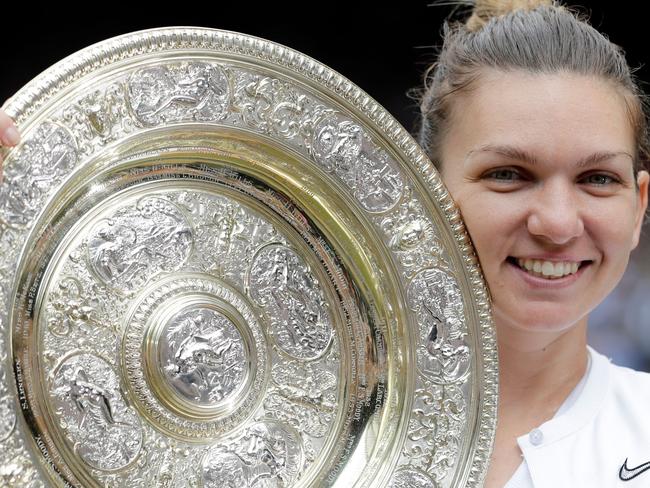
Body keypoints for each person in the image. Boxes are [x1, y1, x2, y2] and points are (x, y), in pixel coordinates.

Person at [0, 1, 648, 486]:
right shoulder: (228, 413)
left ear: (639, 204)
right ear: (422, 193)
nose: (559, 223)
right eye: (509, 174)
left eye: (598, 179)